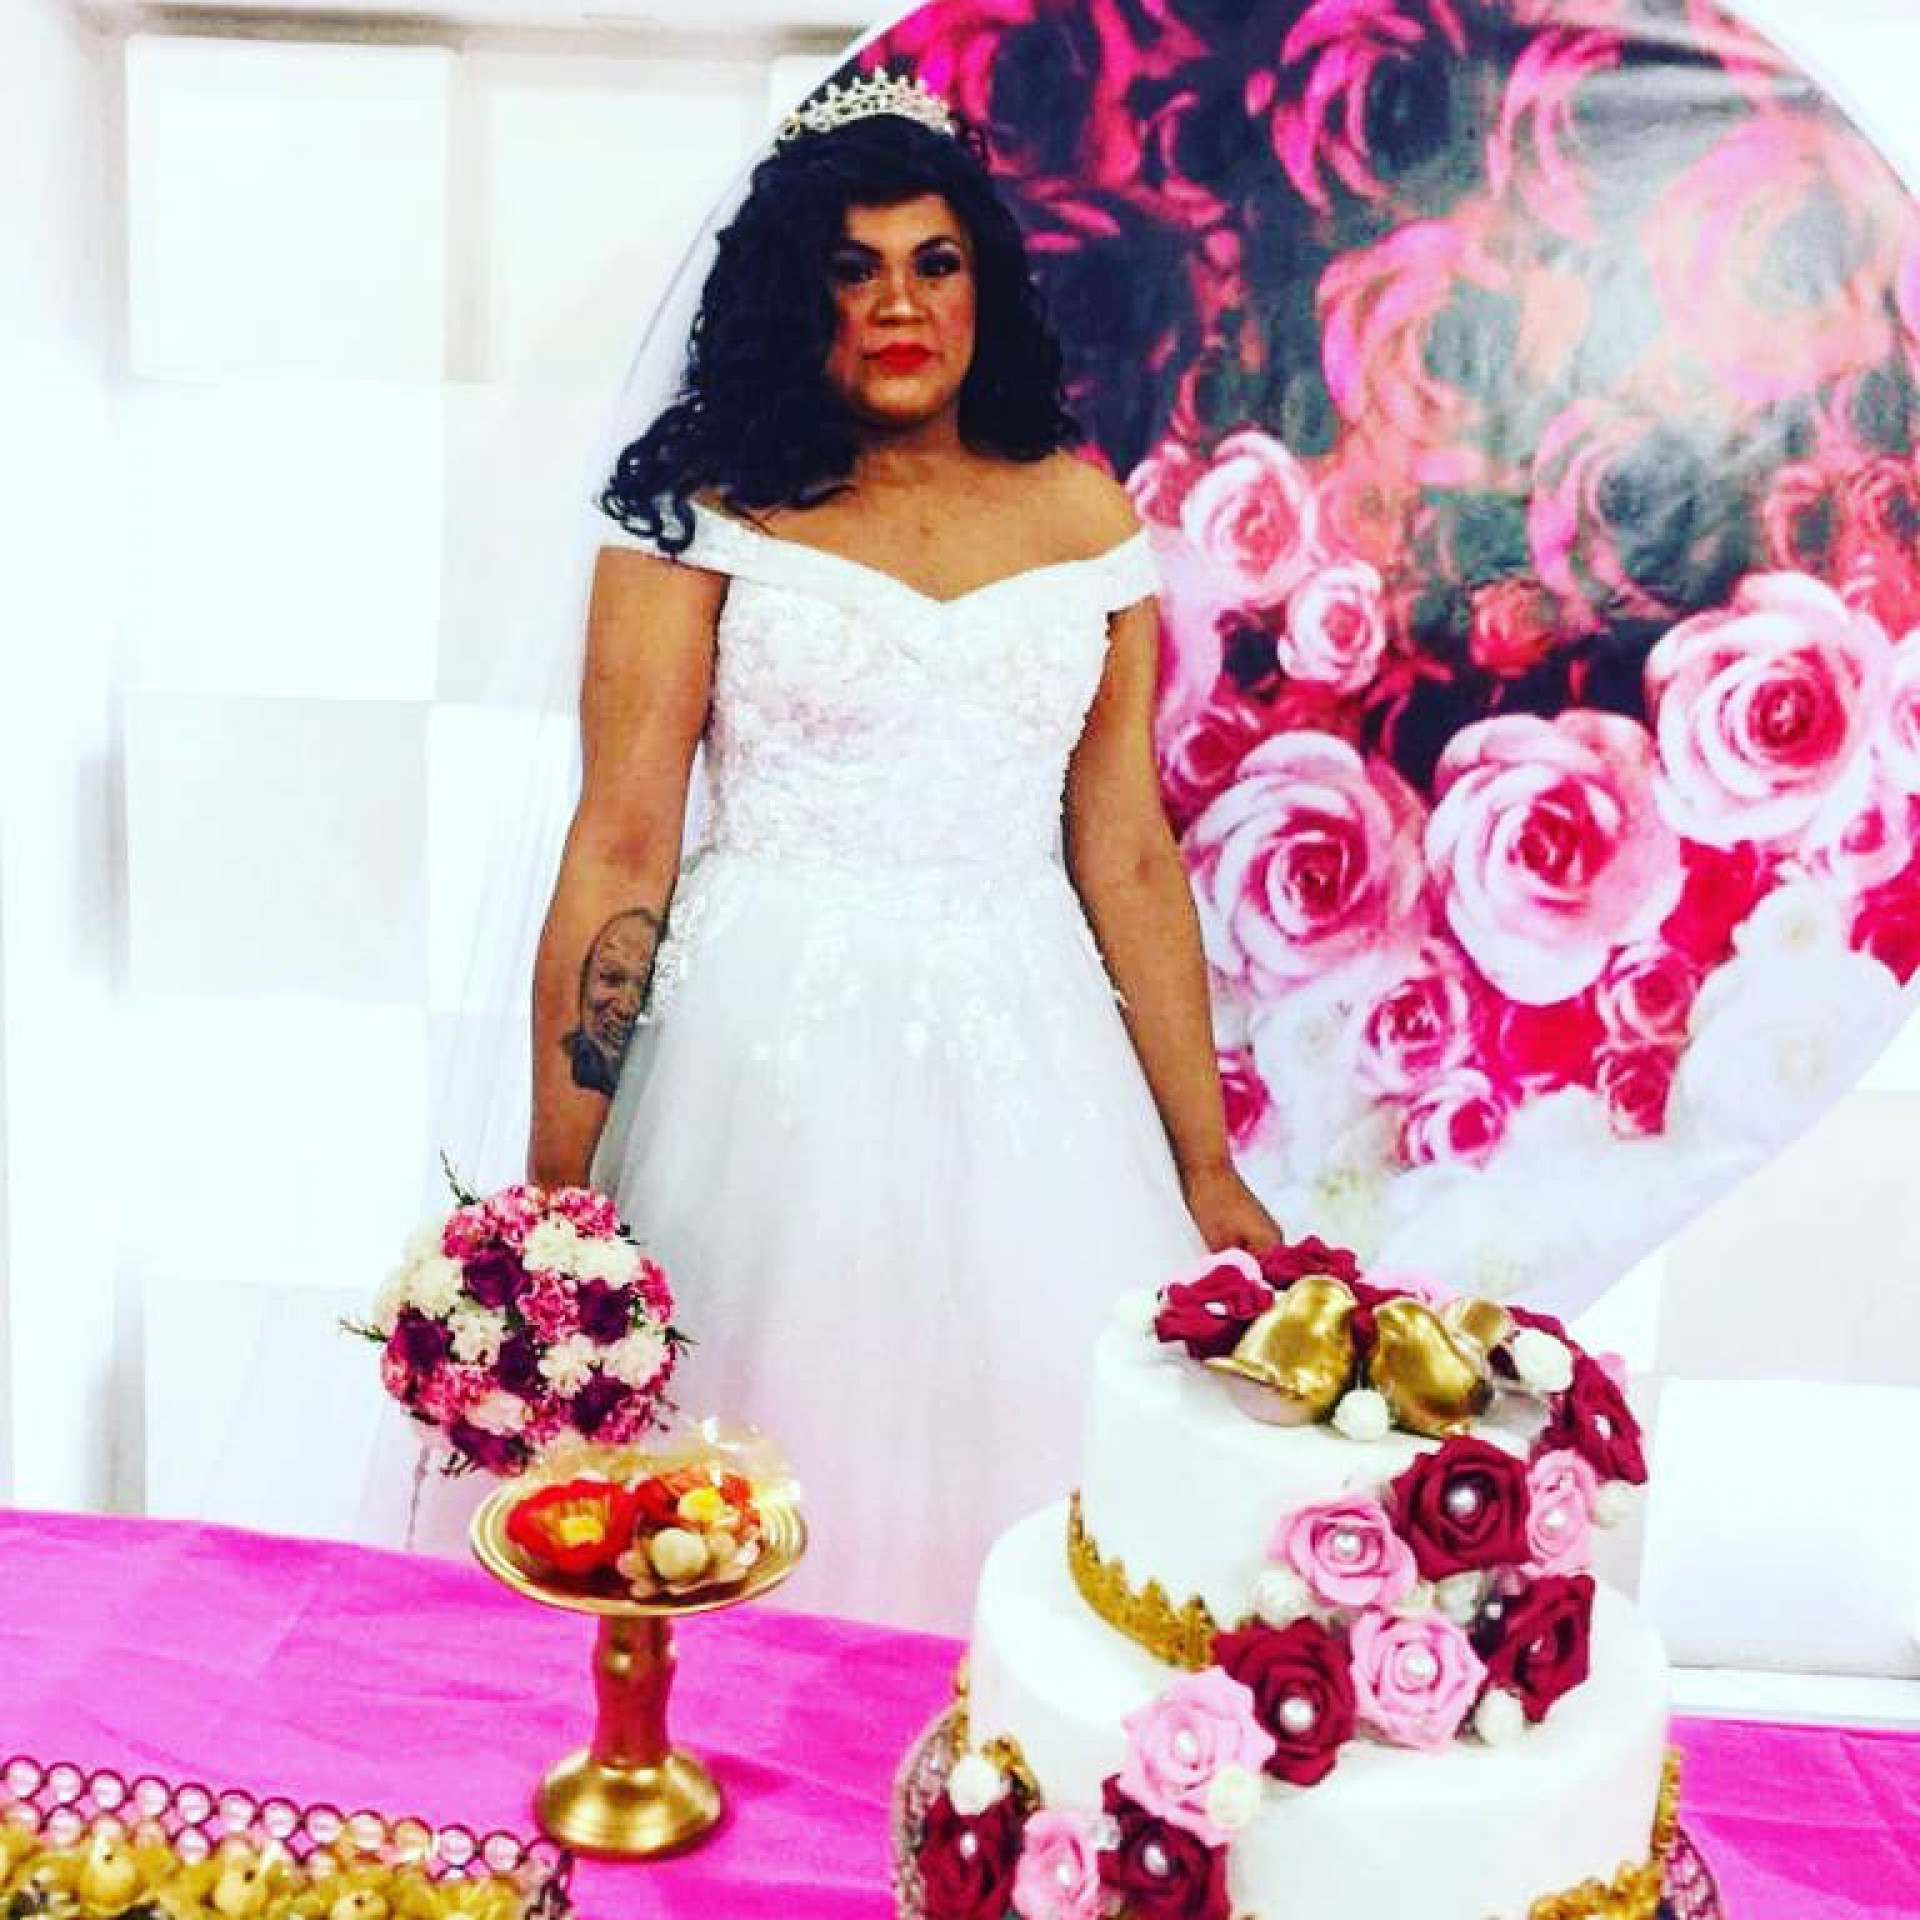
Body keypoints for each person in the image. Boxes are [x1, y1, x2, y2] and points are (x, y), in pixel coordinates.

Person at [527, 71, 1280, 1630]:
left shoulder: (1084, 518)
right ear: (793, 291)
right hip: (761, 1054)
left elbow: (1127, 853)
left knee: (1048, 1505)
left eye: (935, 263)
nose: (897, 305)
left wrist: (1206, 1168)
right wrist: (555, 1191)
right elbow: (619, 844)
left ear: (983, 286)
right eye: (852, 267)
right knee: (730, 1487)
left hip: (1032, 1058)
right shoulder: (697, 509)